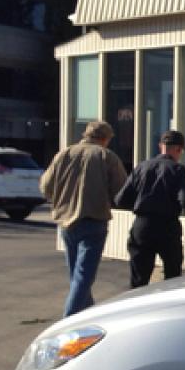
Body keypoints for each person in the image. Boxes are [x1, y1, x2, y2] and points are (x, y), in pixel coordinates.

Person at [40, 120, 128, 318]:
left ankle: (87, 315)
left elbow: (45, 186)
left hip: (66, 222)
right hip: (94, 221)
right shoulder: (106, 156)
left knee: (77, 277)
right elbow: (122, 191)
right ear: (105, 139)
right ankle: (68, 320)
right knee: (83, 278)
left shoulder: (64, 154)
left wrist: (61, 199)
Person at [115, 129, 185, 288]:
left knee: (139, 279)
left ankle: (137, 302)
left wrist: (140, 206)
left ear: (160, 146)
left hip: (142, 226)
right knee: (172, 276)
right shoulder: (178, 170)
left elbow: (120, 199)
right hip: (167, 226)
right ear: (179, 149)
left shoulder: (142, 167)